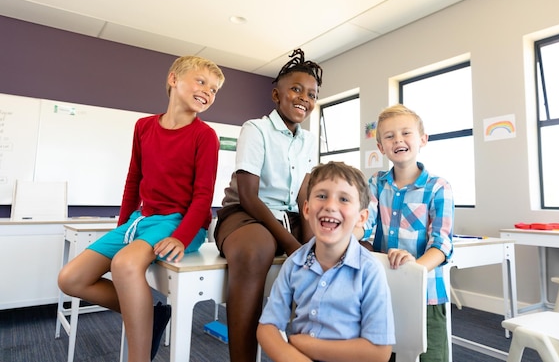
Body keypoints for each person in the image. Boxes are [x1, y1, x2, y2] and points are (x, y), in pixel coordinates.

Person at [57, 55, 225, 362]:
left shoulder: (205, 136)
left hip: (179, 222)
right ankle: (149, 312)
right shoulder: (144, 126)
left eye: (214, 90)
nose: (208, 92)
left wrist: (181, 237)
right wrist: (122, 226)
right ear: (174, 79)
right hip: (141, 221)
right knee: (70, 279)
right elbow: (134, 179)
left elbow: (203, 196)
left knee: (123, 265)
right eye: (201, 81)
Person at [213, 48, 322, 362]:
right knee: (254, 251)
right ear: (277, 94)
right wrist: (291, 244)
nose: (304, 98)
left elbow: (304, 194)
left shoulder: (307, 140)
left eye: (312, 94)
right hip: (245, 214)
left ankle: (310, 349)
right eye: (296, 89)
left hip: (288, 215)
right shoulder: (255, 129)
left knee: (332, 250)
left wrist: (311, 237)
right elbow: (248, 196)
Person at [257, 161, 395, 362]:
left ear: (361, 217)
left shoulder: (369, 270)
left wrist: (307, 345)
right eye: (321, 196)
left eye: (344, 199)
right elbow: (267, 327)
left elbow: (378, 352)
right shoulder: (294, 264)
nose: (330, 206)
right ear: (306, 209)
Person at [359, 104, 454, 362]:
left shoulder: (438, 187)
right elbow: (364, 224)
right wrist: (344, 230)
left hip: (426, 297)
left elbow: (442, 244)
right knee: (382, 354)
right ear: (380, 147)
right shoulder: (376, 183)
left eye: (406, 133)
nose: (398, 140)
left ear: (423, 139)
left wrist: (415, 271)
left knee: (428, 355)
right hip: (382, 291)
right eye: (389, 136)